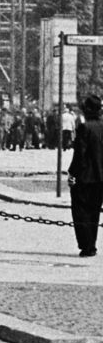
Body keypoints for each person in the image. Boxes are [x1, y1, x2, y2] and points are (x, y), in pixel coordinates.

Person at [68, 94, 103, 258]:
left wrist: (72, 173)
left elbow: (80, 155)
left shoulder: (84, 128)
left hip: (84, 177)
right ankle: (92, 244)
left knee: (81, 211)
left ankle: (86, 245)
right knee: (94, 211)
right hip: (100, 178)